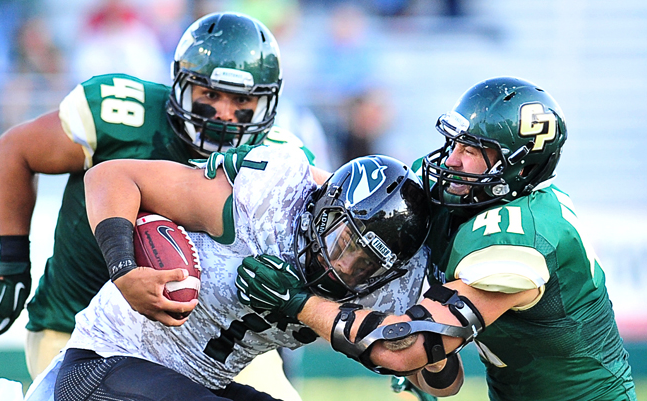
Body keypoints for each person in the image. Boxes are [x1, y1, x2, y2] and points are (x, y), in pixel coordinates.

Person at [0, 13, 313, 399]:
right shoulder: (126, 114)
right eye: (210, 95)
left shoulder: (276, 162)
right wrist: (12, 260)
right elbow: (16, 150)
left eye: (242, 100)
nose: (225, 113)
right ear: (181, 85)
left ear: (267, 102)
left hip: (213, 337)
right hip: (81, 329)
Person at [235, 77, 637, 400]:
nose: (452, 159)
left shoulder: (524, 234)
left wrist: (301, 304)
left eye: (474, 150)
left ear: (518, 169)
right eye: (456, 141)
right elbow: (443, 378)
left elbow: (411, 347)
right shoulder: (460, 194)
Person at [39, 146, 430, 400]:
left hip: (200, 383)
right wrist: (123, 271)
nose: (343, 263)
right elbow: (112, 176)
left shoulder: (391, 285)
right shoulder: (268, 200)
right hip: (105, 363)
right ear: (323, 210)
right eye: (343, 239)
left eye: (365, 261)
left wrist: (302, 305)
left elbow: (442, 378)